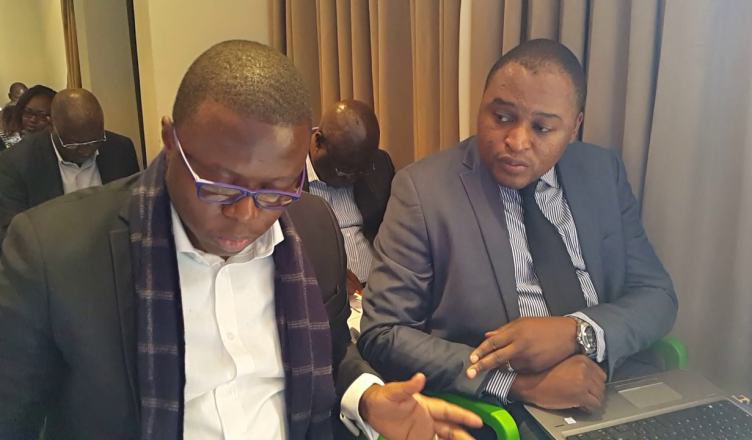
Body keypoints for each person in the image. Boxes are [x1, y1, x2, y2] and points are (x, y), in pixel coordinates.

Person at [0, 40, 482, 440]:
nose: (246, 216)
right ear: (170, 140)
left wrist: (368, 396)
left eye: (275, 191)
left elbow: (333, 351)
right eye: (219, 186)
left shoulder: (312, 226)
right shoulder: (53, 253)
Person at [358, 39, 678, 439]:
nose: (517, 141)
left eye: (542, 128)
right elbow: (384, 333)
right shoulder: (423, 191)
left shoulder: (602, 172)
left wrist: (576, 332)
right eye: (502, 117)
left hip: (616, 383)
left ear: (574, 126)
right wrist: (516, 383)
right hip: (510, 412)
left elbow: (656, 294)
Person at [0, 87, 140, 246]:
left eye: (94, 142)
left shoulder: (120, 149)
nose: (85, 150)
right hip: (51, 255)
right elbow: (12, 236)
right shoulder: (15, 163)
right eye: (72, 144)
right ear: (51, 126)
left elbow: (133, 213)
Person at [306, 99, 395, 334]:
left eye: (360, 171)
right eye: (343, 170)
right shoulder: (287, 172)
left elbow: (396, 234)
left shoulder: (378, 165)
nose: (351, 178)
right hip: (322, 304)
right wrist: (328, 278)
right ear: (318, 143)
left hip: (377, 296)